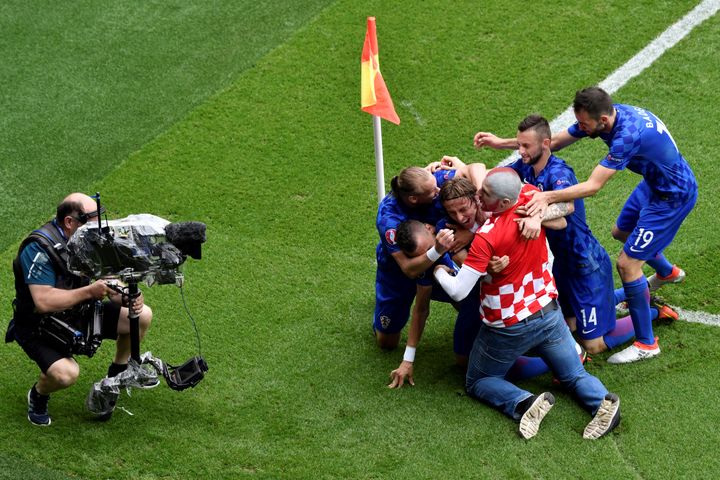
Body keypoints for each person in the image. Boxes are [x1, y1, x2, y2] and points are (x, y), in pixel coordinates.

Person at [477, 87, 696, 364]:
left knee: (628, 264)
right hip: (653, 184)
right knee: (621, 232)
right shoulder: (607, 114)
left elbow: (593, 187)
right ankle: (666, 273)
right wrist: (501, 144)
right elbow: (551, 141)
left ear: (602, 121)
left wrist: (545, 198)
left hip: (672, 195)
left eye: (584, 125)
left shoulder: (626, 137)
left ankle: (647, 342)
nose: (579, 129)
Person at [434, 168, 620, 440]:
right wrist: (538, 215)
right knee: (573, 374)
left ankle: (523, 402)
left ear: (504, 202)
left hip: (508, 325)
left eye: (484, 194)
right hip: (548, 311)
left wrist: (440, 268)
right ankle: (603, 402)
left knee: (478, 381)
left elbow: (460, 291)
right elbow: (566, 208)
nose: (479, 195)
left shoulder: (487, 235)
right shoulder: (529, 197)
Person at [8, 193, 155, 426]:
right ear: (70, 221)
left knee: (141, 315)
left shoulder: (87, 240)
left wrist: (126, 296)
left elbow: (108, 279)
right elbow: (43, 301)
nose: (98, 225)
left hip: (79, 312)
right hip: (40, 326)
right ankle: (38, 395)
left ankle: (115, 378)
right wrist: (89, 292)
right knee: (66, 374)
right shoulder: (38, 248)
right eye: (91, 219)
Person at [373, 161, 485, 349]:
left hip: (439, 249)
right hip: (399, 270)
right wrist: (437, 250)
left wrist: (478, 204)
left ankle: (478, 335)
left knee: (465, 296)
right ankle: (383, 312)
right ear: (414, 199)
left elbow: (476, 167)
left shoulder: (431, 182)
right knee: (386, 343)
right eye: (433, 191)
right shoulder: (388, 219)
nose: (439, 190)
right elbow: (408, 269)